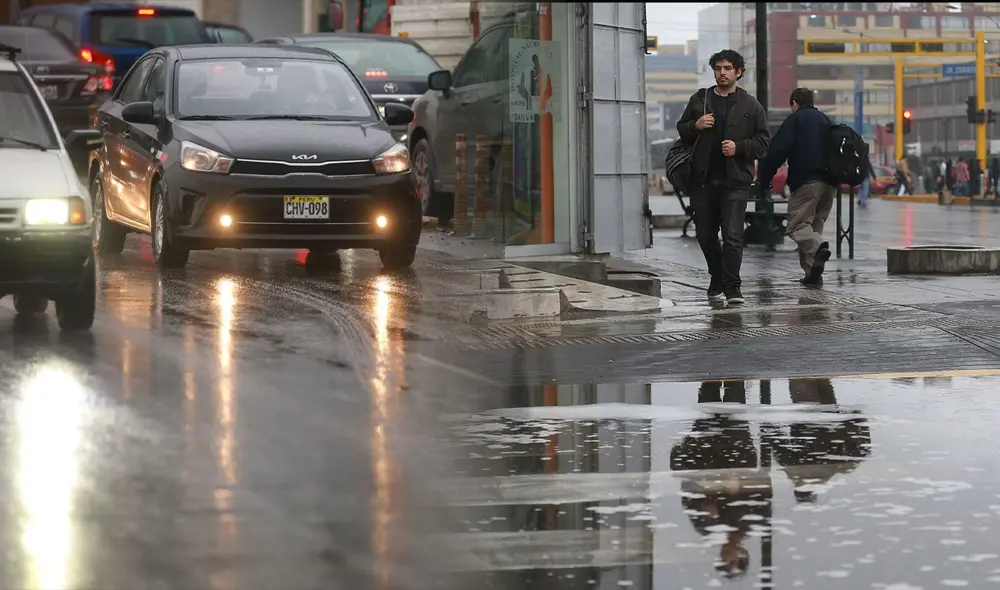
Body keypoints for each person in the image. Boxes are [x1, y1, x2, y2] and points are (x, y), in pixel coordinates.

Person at [675, 49, 770, 304]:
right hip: (702, 180)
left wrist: (739, 148)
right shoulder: (700, 99)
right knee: (705, 235)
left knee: (733, 235)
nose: (722, 73)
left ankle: (732, 286)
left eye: (727, 68)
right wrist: (695, 126)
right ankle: (717, 276)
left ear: (738, 72)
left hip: (735, 181)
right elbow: (682, 129)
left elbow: (763, 142)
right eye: (718, 68)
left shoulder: (751, 105)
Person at [758, 88, 836, 286]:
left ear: (794, 103)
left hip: (806, 182)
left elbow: (777, 151)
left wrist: (765, 179)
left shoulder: (796, 120)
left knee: (796, 226)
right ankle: (812, 274)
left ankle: (818, 248)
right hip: (829, 183)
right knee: (813, 226)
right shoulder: (826, 120)